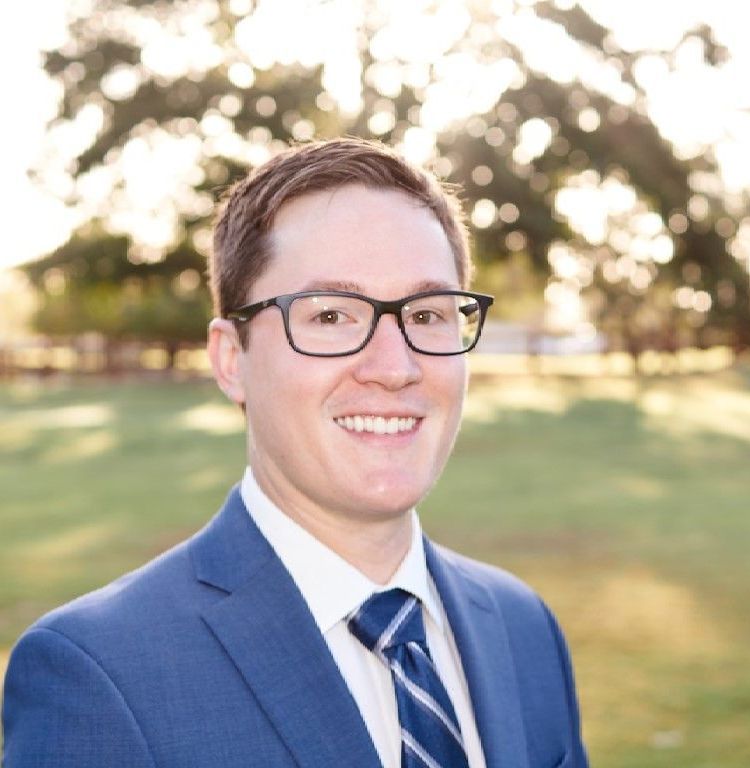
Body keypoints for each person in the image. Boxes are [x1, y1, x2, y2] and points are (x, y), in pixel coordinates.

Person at [2, 137, 588, 768]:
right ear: (232, 360)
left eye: (427, 315)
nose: (396, 367)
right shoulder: (100, 677)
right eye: (331, 317)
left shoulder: (524, 629)